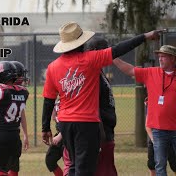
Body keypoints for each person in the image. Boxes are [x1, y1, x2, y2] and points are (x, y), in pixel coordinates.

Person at [41, 21, 161, 176]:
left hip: (65, 124)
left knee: (73, 166)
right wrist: (145, 36)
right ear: (81, 42)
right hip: (86, 124)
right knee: (85, 169)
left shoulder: (53, 67)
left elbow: (48, 100)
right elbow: (120, 48)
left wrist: (45, 127)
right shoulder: (91, 59)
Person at [113, 44, 176, 175]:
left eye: (164, 56)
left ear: (173, 59)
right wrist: (113, 58)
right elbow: (130, 70)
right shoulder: (151, 72)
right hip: (158, 130)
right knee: (160, 164)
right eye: (159, 56)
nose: (160, 59)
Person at [84, 37, 118, 176]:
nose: (107, 55)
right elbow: (93, 105)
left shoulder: (100, 71)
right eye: (105, 51)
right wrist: (101, 132)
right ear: (95, 52)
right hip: (101, 131)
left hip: (107, 129)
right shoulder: (93, 74)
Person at [8, 61, 30, 176]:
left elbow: (21, 112)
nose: (23, 78)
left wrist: (25, 134)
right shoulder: (23, 93)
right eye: (21, 75)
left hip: (10, 133)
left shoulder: (1, 91)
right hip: (6, 133)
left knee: (11, 166)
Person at [44, 100, 64, 176]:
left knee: (70, 164)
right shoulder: (56, 102)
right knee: (50, 160)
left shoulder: (69, 99)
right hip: (59, 135)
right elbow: (53, 117)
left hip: (69, 135)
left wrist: (61, 134)